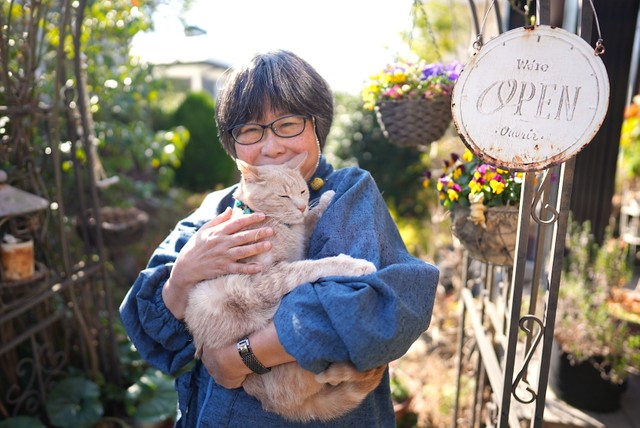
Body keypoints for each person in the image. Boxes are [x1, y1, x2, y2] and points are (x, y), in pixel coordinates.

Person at [120, 49, 439, 427]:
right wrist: (183, 276)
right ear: (232, 143)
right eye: (250, 130)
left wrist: (239, 356)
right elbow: (153, 334)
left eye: (288, 124)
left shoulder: (347, 193)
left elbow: (367, 313)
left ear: (316, 125)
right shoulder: (216, 208)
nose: (271, 147)